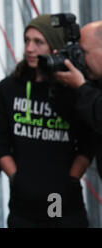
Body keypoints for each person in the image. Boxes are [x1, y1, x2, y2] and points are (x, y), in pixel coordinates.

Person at [0, 14, 94, 228]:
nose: (30, 48)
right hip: (23, 205)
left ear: (54, 46)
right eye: (27, 40)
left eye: (38, 42)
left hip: (64, 204)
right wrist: (17, 177)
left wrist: (71, 180)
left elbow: (89, 142)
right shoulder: (9, 88)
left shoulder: (74, 89)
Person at [55, 20, 102, 178]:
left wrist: (81, 87)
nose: (79, 58)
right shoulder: (95, 83)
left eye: (83, 52)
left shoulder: (87, 88)